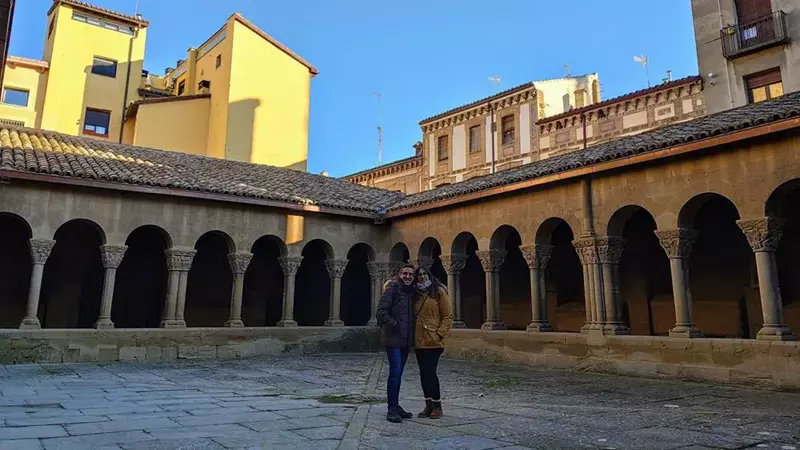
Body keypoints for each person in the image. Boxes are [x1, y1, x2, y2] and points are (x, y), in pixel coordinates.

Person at [375, 263, 416, 423]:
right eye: (405, 273)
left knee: (398, 373)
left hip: (405, 340)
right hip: (393, 339)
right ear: (399, 275)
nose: (408, 276)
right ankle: (391, 409)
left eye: (410, 274)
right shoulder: (392, 289)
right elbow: (380, 312)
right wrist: (395, 325)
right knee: (395, 372)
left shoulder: (411, 292)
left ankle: (396, 405)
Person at [413, 267, 453, 419]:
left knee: (431, 373)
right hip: (419, 341)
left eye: (424, 274)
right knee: (423, 374)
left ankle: (437, 405)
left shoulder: (438, 292)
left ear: (429, 275)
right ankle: (428, 405)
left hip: (433, 341)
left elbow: (448, 316)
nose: (422, 277)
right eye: (419, 275)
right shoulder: (415, 294)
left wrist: (439, 334)